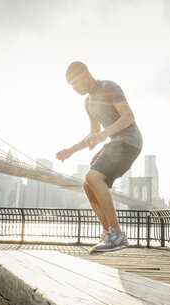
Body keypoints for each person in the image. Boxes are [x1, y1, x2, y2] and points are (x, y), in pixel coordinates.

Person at [56, 61, 143, 253]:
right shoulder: (88, 104)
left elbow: (129, 117)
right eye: (71, 86)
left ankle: (117, 234)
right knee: (88, 184)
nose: (74, 89)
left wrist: (104, 134)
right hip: (115, 143)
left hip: (129, 141)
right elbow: (92, 135)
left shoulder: (109, 87)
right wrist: (70, 150)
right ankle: (108, 233)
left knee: (93, 176)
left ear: (85, 73)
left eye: (75, 83)